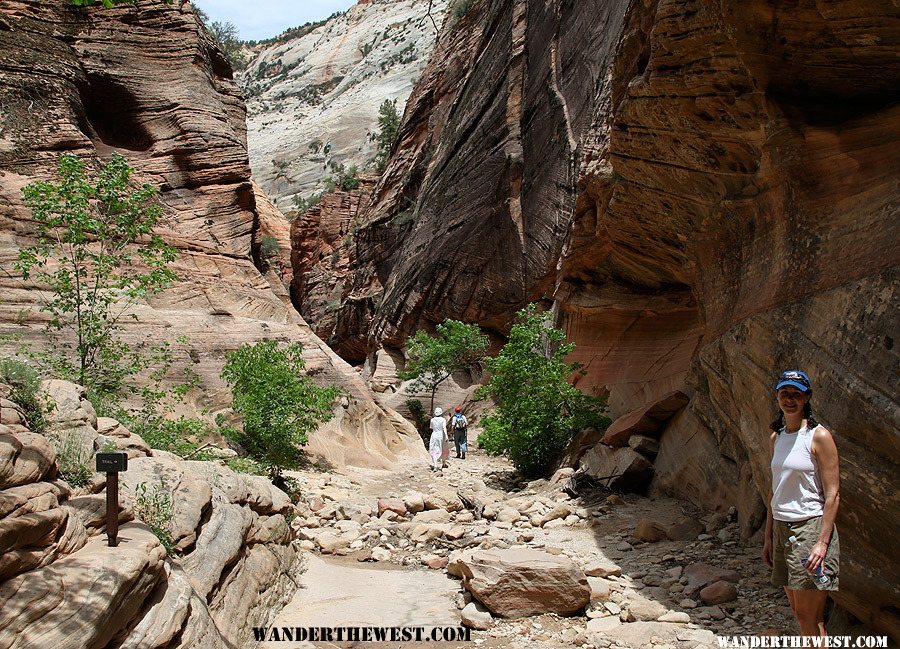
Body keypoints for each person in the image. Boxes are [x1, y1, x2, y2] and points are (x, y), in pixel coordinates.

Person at [763, 370, 840, 637]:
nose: (790, 399)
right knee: (799, 614)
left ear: (807, 398)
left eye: (797, 394)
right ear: (777, 396)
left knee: (811, 617)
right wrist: (768, 536)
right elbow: (777, 489)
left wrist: (822, 543)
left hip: (809, 529)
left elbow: (833, 494)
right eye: (785, 393)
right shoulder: (777, 437)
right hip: (783, 529)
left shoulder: (818, 436)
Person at [428, 407, 448, 472]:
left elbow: (431, 427)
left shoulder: (432, 420)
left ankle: (435, 465)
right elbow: (444, 428)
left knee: (433, 449)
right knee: (443, 448)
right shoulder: (443, 420)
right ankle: (443, 463)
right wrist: (446, 436)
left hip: (434, 435)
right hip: (441, 435)